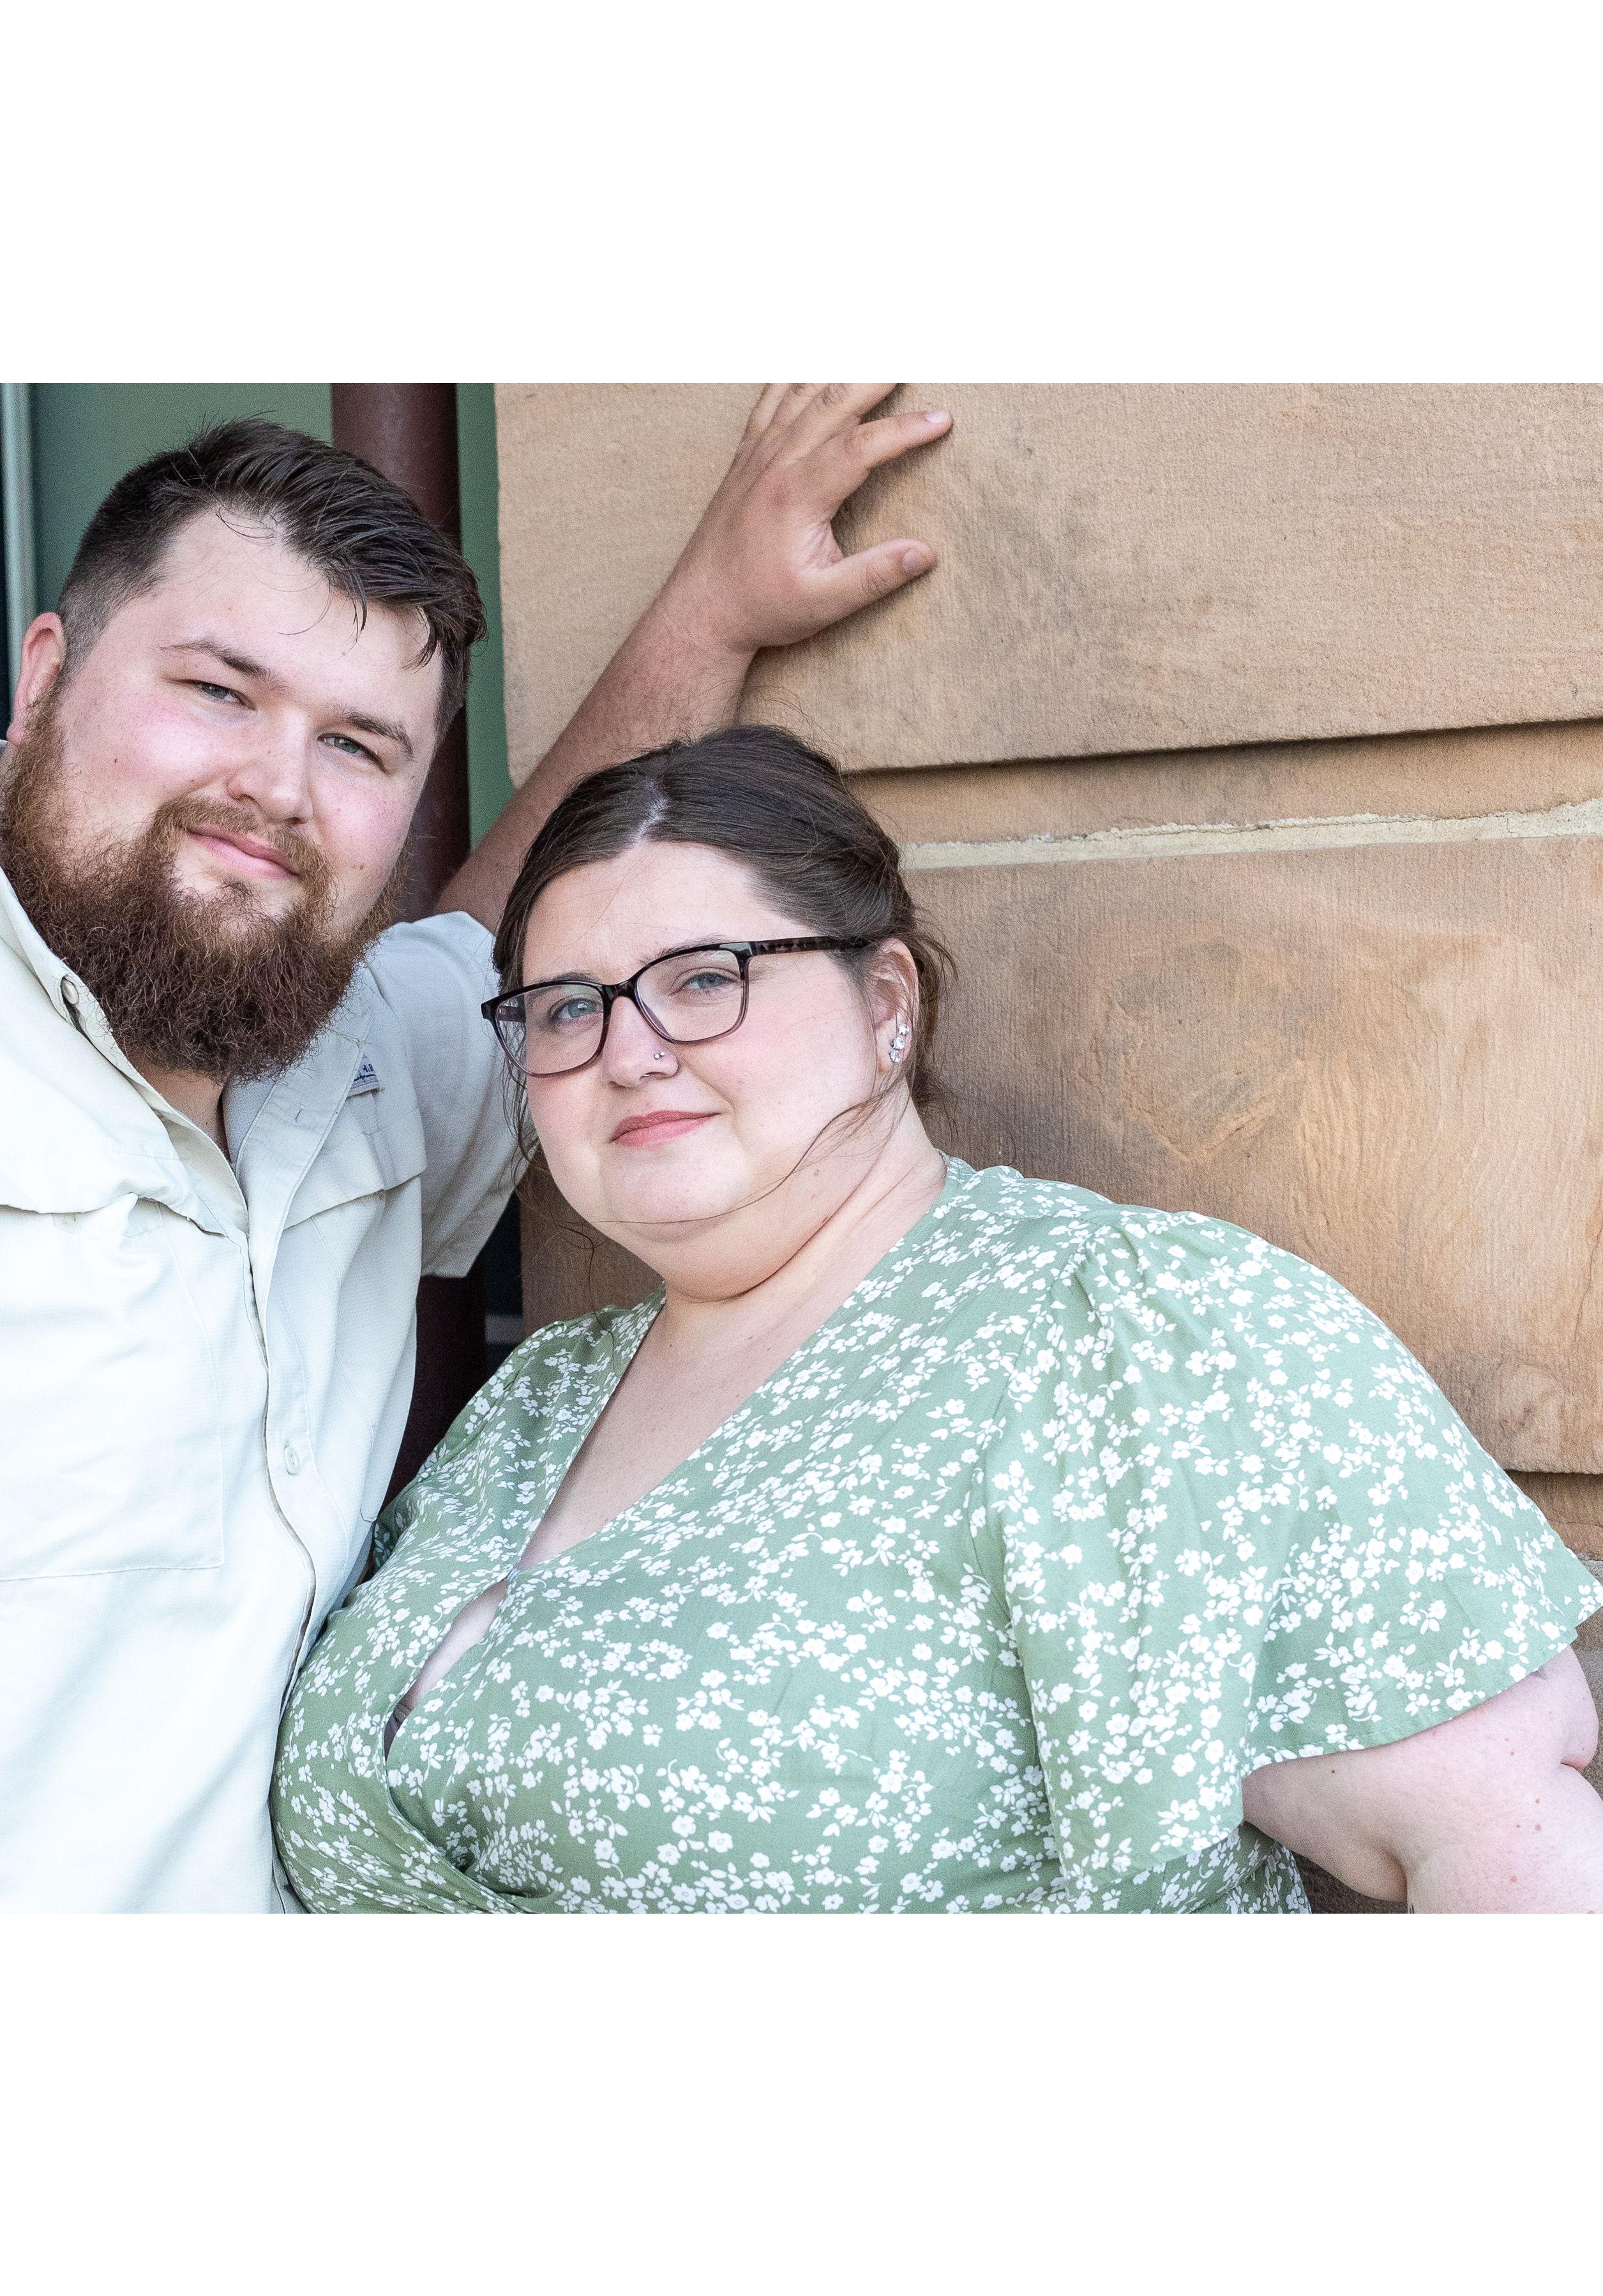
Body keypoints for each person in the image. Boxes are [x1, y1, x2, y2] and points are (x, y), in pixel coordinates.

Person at [0, 387, 958, 1912]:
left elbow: (505, 947)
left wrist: (711, 609)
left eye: (360, 747)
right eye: (216, 691)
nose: (273, 788)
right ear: (44, 673)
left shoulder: (342, 1062)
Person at [272, 724, 1603, 1912]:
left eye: (704, 977)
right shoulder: (533, 1402)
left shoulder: (1124, 1342)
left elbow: (1507, 1845)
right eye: (568, 1006)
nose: (628, 1050)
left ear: (886, 1006)